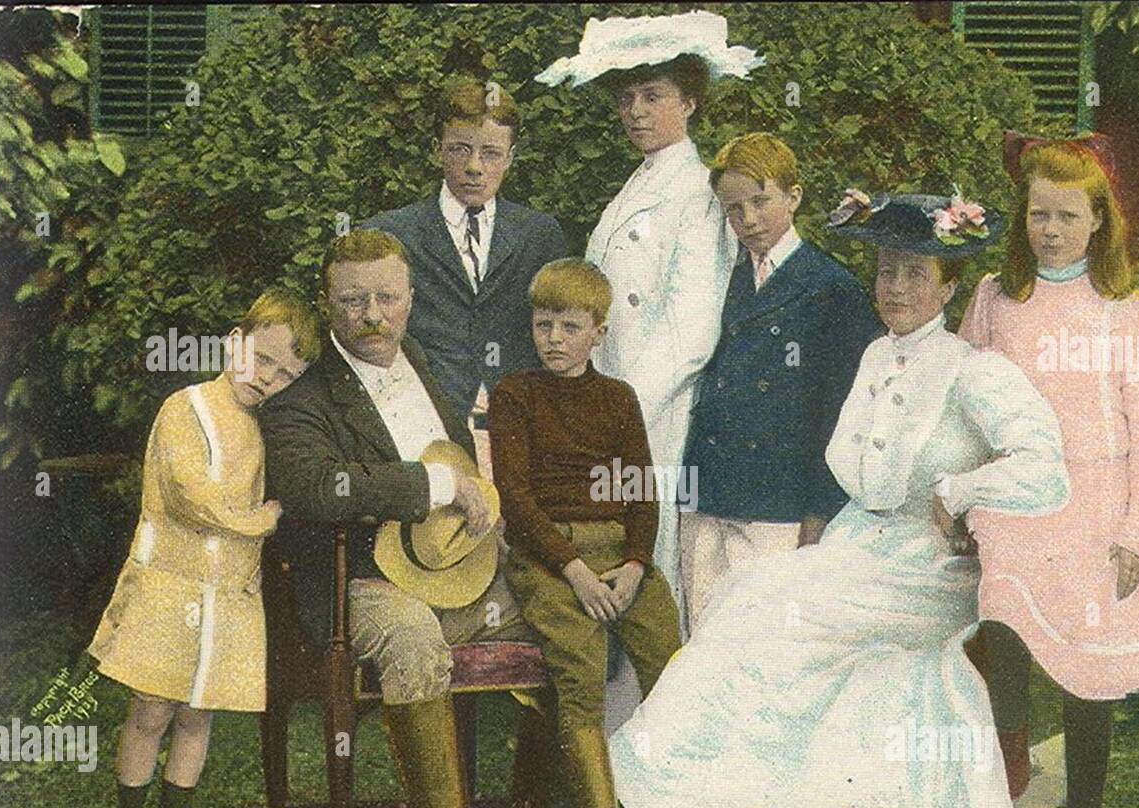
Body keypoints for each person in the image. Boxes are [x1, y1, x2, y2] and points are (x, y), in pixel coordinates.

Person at [609, 190, 1086, 808]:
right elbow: (859, 469)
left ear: (950, 286)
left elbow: (1045, 465)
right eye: (887, 272)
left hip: (929, 570)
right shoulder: (872, 354)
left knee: (770, 621)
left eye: (915, 276)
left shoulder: (973, 372)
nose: (896, 289)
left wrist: (960, 489)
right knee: (747, 611)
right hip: (863, 545)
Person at [259, 231, 527, 808]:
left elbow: (464, 457)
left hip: (461, 573)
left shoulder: (424, 365)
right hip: (363, 583)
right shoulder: (301, 399)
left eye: (386, 296)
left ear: (411, 297)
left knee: (563, 609)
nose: (372, 313)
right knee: (412, 642)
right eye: (353, 300)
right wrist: (432, 484)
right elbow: (318, 487)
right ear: (328, 304)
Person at [958, 133, 1139, 808]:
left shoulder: (1125, 311)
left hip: (1096, 510)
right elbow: (960, 398)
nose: (1048, 230)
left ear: (1097, 221)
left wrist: (1137, 531)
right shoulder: (995, 297)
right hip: (1016, 501)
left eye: (1066, 216)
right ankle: (1011, 754)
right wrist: (960, 491)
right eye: (1037, 214)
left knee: (1091, 684)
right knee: (1004, 627)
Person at [537, 11, 761, 623]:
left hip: (655, 412)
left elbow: (692, 330)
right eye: (628, 97)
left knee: (649, 558)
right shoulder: (636, 185)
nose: (636, 111)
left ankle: (654, 710)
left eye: (654, 96)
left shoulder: (696, 194)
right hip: (609, 403)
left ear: (689, 102)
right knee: (610, 546)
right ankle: (613, 714)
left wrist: (622, 407)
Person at [90, 290, 320, 808]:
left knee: (197, 714)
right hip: (169, 584)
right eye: (262, 360)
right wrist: (261, 520)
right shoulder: (185, 408)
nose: (269, 379)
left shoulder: (265, 429)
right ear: (233, 342)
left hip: (229, 593)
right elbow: (193, 499)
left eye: (286, 374)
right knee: (151, 708)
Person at [489, 259, 682, 808]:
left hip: (619, 556)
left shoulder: (617, 398)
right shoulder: (516, 395)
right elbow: (515, 499)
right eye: (544, 325)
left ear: (598, 332)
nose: (555, 339)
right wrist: (574, 571)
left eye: (570, 326)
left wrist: (633, 566)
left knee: (674, 665)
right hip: (549, 556)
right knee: (581, 670)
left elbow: (641, 493)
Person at [682, 132, 883, 621]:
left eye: (760, 201)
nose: (748, 220)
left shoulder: (831, 289)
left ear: (794, 196)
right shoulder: (717, 279)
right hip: (706, 494)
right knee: (702, 644)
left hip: (780, 504)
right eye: (733, 209)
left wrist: (818, 517)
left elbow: (843, 416)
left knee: (764, 642)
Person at [361, 78, 568, 425]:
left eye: (490, 153)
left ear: (510, 157)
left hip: (521, 424)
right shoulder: (392, 234)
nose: (474, 166)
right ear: (437, 149)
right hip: (422, 422)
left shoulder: (539, 236)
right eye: (460, 149)